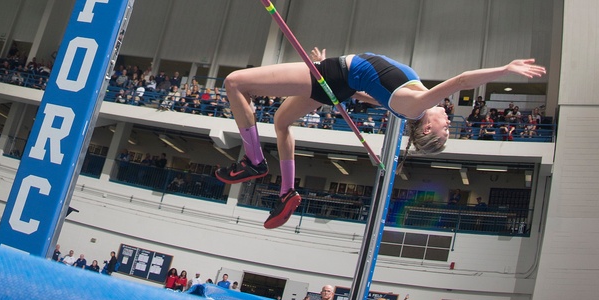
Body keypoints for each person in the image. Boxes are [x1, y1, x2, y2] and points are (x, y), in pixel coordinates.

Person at [214, 47, 545, 228]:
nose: (448, 117)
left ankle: (254, 160)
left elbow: (461, 81)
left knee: (234, 83)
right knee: (282, 122)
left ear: (427, 129)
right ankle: (287, 191)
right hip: (339, 84)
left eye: (445, 125)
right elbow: (369, 93)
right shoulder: (408, 104)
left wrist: (504, 70)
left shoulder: (418, 104)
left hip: (335, 74)